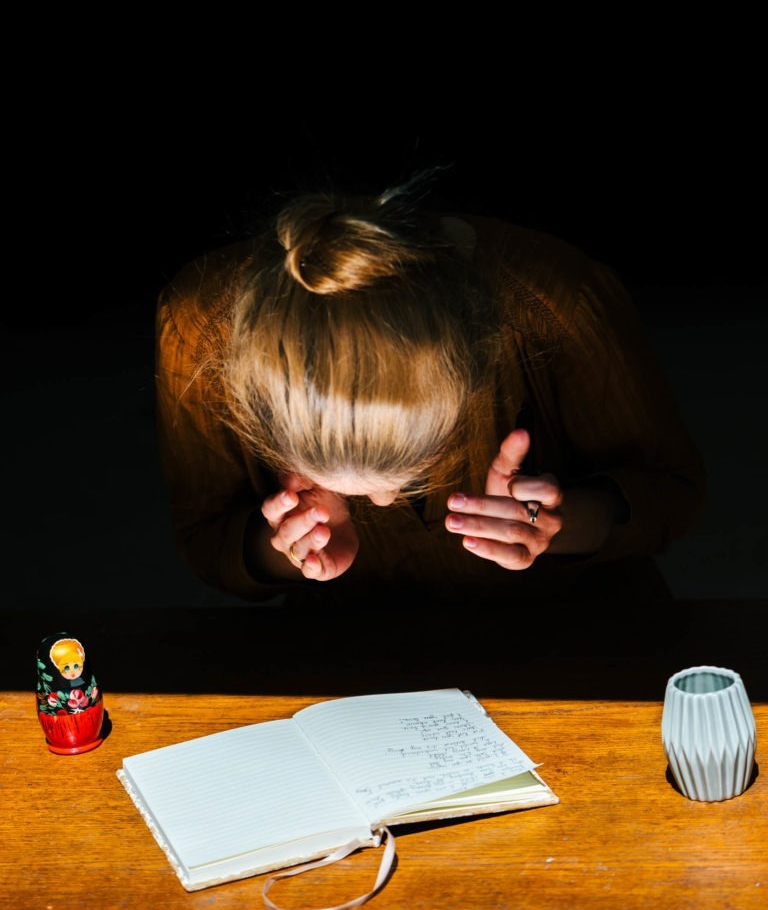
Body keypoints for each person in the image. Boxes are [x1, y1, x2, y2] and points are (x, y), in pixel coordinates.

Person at [154, 174, 707, 609]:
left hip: (574, 628)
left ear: (469, 368)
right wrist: (291, 549)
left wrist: (555, 525)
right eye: (327, 474)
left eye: (415, 463)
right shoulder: (201, 329)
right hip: (350, 650)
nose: (383, 503)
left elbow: (674, 496)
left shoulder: (556, 301)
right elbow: (207, 538)